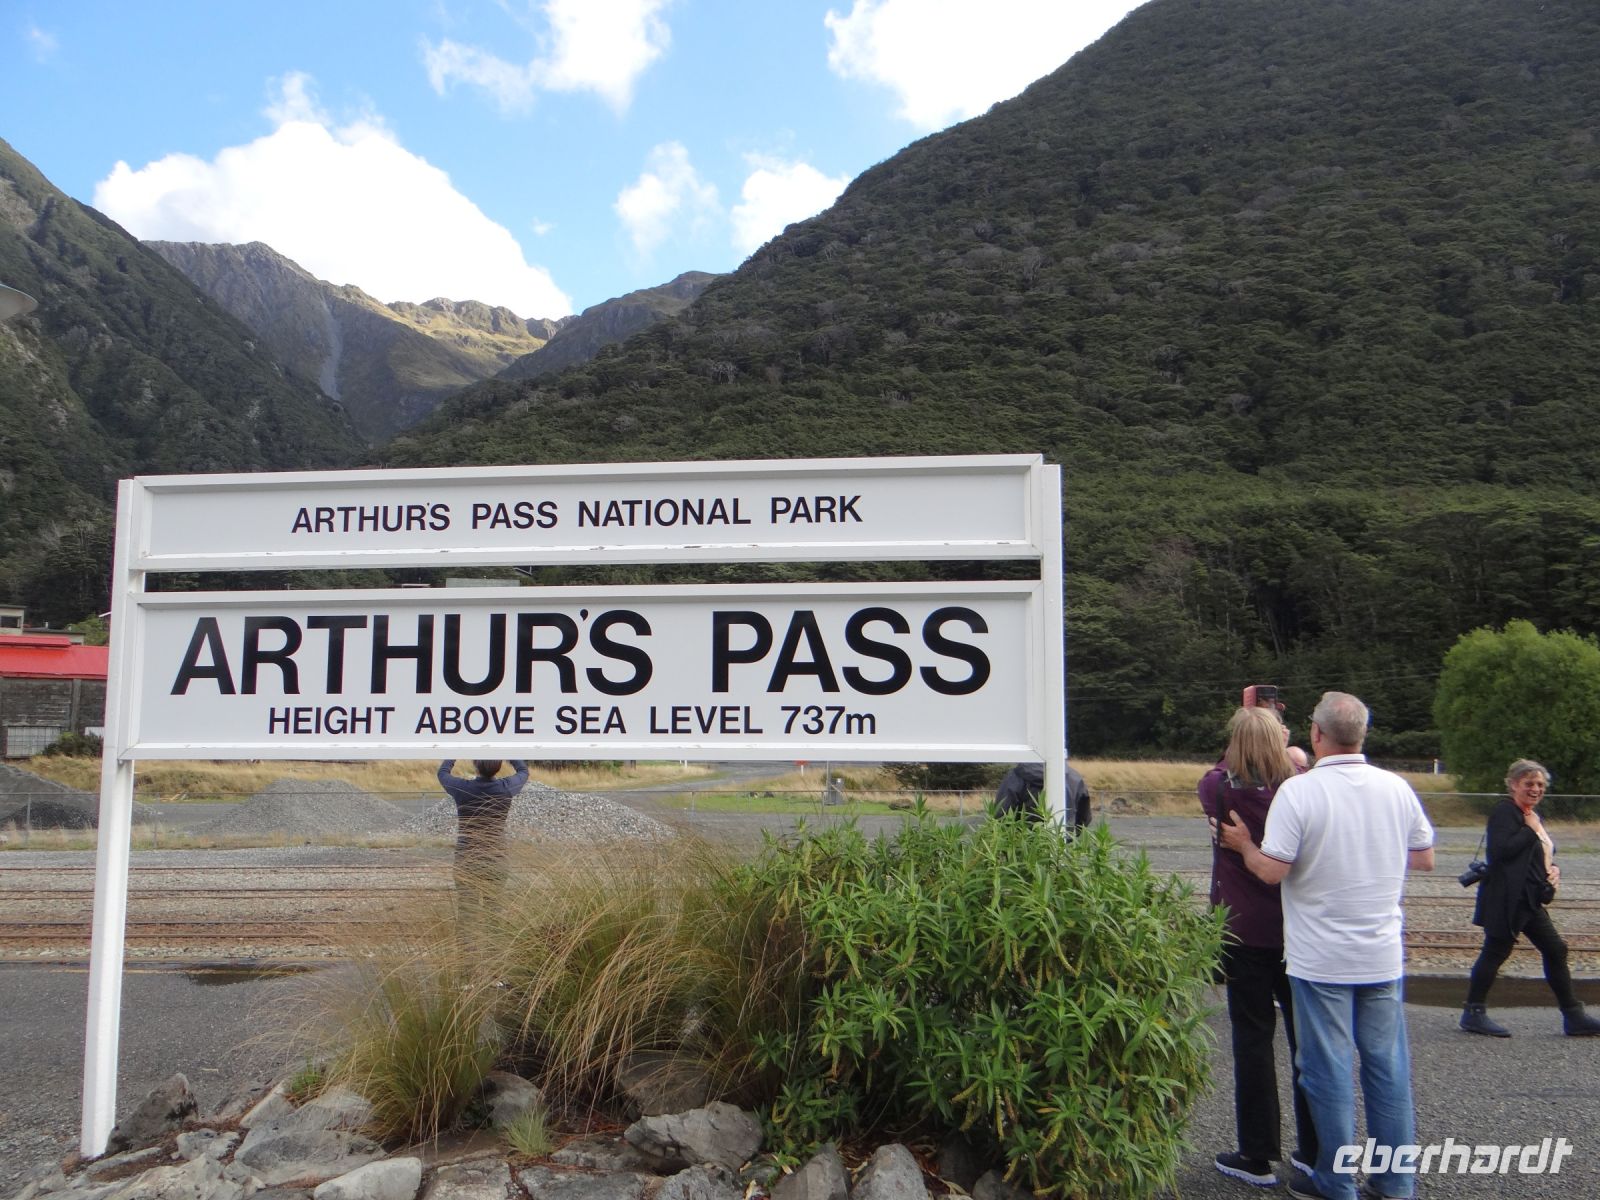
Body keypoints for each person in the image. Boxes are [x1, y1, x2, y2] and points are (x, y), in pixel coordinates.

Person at [1214, 692, 1434, 1200]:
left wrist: (1245, 845)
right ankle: (1395, 1181)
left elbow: (1272, 869)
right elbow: (1423, 859)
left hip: (1321, 959)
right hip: (1382, 953)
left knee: (1327, 1070)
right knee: (1387, 1068)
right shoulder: (1396, 788)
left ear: (1315, 734)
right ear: (1362, 734)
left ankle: (1333, 1181)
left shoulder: (1302, 793)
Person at [1199, 706, 1317, 1188]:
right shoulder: (1304, 788)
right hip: (1299, 930)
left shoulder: (1217, 788)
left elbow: (1216, 769)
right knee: (1306, 1044)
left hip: (1242, 928)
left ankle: (1257, 1153)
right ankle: (1314, 1150)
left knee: (1252, 1039)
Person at [1460, 759, 1600, 1037]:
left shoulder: (1529, 815)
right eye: (1529, 784)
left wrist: (1553, 868)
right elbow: (1499, 853)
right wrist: (1529, 828)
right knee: (1496, 952)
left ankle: (1573, 1016)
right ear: (1513, 785)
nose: (1535, 789)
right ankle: (1473, 1013)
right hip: (1507, 899)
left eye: (1540, 785)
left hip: (1527, 899)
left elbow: (1539, 853)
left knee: (1555, 949)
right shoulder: (1506, 812)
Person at [438, 758, 529, 919]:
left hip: (467, 859)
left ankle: (467, 944)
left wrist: (454, 754)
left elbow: (442, 773)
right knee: (493, 912)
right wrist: (511, 752)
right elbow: (523, 772)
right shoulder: (505, 788)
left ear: (475, 764)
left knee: (467, 912)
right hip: (496, 858)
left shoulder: (462, 788)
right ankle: (493, 944)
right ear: (499, 766)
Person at [992, 760, 1091, 831]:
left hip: (1023, 848)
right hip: (1061, 846)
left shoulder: (1015, 777)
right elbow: (1084, 817)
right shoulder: (1074, 778)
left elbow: (1001, 813)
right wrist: (1070, 835)